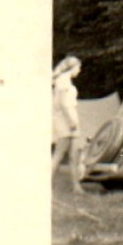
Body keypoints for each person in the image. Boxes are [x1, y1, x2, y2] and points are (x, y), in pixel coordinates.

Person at [51, 56, 85, 193]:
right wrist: (71, 121)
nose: (79, 70)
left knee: (73, 154)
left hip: (69, 118)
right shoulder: (63, 82)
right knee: (59, 154)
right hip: (66, 119)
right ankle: (45, 184)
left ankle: (76, 186)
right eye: (78, 67)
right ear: (72, 68)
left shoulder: (63, 81)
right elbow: (63, 104)